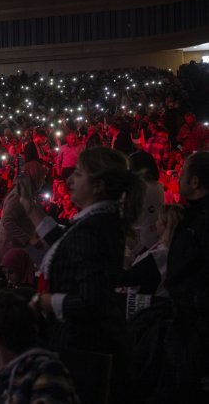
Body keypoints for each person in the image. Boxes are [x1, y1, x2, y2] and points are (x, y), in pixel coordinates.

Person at [19, 147, 145, 400]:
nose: (69, 180)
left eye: (77, 174)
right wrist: (29, 205)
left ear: (98, 185)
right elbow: (66, 243)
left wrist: (44, 301)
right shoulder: (99, 221)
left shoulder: (95, 229)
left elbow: (91, 301)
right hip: (85, 342)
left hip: (82, 346)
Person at [163, 151, 209, 401]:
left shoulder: (201, 222)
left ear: (195, 182)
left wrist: (194, 303)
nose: (178, 179)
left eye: (182, 174)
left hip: (195, 323)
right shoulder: (192, 216)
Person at [0, 161, 47, 262]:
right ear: (35, 176)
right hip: (7, 251)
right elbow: (7, 221)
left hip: (12, 250)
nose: (44, 182)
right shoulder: (19, 194)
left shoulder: (25, 192)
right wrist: (29, 239)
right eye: (43, 177)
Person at [119, 204, 182, 297]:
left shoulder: (162, 254)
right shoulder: (168, 247)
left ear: (165, 225)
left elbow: (128, 278)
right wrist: (136, 247)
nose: (155, 223)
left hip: (144, 301)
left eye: (158, 220)